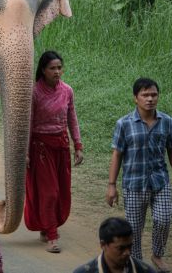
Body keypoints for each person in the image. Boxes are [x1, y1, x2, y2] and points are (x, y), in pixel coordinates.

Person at [106, 78, 172, 272]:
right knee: (134, 229)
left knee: (163, 219)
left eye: (154, 95)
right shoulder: (124, 123)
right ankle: (136, 262)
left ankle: (157, 254)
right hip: (133, 184)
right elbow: (117, 154)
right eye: (145, 95)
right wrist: (111, 185)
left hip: (160, 181)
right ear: (135, 98)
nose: (150, 99)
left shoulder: (166, 121)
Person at [24, 50, 84, 252]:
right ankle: (52, 237)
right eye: (52, 68)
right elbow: (28, 123)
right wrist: (25, 152)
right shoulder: (34, 92)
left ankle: (46, 226)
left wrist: (78, 145)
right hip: (40, 148)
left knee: (61, 193)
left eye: (59, 67)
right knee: (50, 193)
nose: (57, 71)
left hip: (61, 146)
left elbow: (72, 119)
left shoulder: (67, 91)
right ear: (43, 70)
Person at [72, 217, 155, 273]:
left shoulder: (146, 271)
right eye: (121, 248)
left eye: (129, 246)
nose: (127, 252)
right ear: (103, 245)